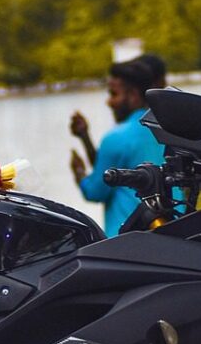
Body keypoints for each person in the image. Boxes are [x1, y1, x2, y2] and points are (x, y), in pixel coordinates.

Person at [69, 58, 167, 237]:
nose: (109, 102)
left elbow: (96, 191)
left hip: (128, 240)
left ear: (134, 95)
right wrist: (85, 137)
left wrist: (80, 174)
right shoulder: (169, 128)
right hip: (171, 233)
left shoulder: (116, 137)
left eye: (114, 94)